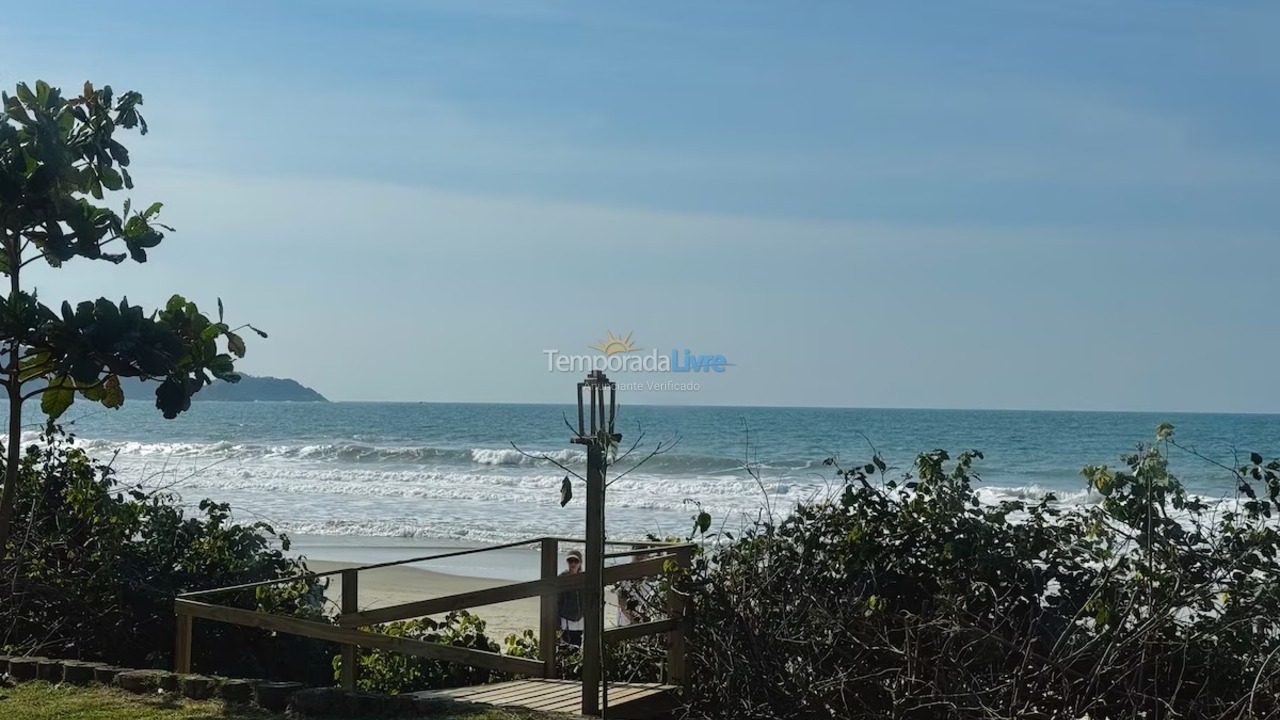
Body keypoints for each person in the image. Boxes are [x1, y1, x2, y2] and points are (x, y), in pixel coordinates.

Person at [616, 546, 659, 627]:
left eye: (643, 553)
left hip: (646, 618)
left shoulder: (651, 576)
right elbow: (622, 602)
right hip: (627, 621)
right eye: (637, 553)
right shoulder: (625, 574)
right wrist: (635, 620)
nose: (640, 556)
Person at [557, 549, 585, 646]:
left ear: (580, 563)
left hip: (580, 619)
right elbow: (557, 600)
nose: (573, 564)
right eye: (570, 561)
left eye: (576, 561)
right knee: (566, 647)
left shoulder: (584, 577)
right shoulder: (562, 578)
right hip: (566, 619)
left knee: (578, 646)